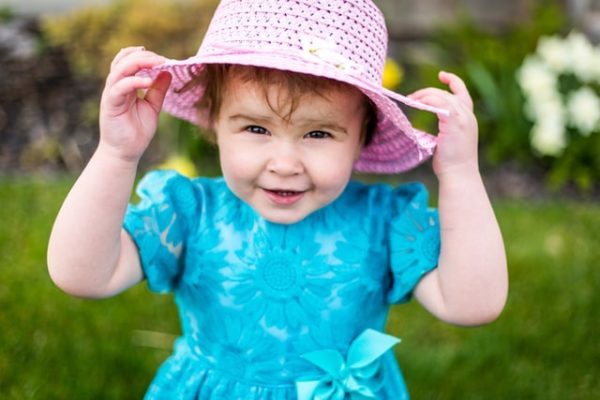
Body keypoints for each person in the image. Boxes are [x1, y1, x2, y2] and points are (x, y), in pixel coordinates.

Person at [47, 0, 508, 398]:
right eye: (256, 129)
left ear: (363, 138)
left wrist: (461, 174)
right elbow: (83, 275)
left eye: (319, 133)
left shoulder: (382, 223)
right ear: (213, 123)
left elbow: (472, 304)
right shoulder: (188, 214)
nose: (284, 162)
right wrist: (116, 154)